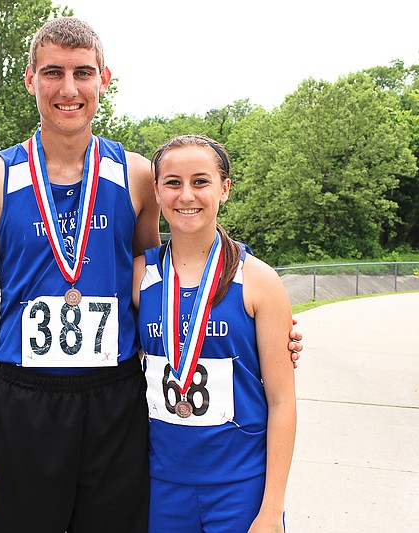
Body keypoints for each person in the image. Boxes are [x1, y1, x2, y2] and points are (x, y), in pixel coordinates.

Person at [0, 17, 301, 533]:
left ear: (104, 79)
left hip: (114, 401)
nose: (68, 89)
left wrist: (269, 332)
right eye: (53, 73)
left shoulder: (137, 175)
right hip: (25, 402)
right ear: (30, 79)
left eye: (82, 73)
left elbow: (160, 284)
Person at [133, 135, 297, 532]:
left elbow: (281, 401)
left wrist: (271, 510)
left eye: (200, 181)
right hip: (160, 486)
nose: (186, 195)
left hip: (240, 487)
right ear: (156, 191)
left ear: (224, 189)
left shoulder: (258, 280)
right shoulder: (139, 276)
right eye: (172, 182)